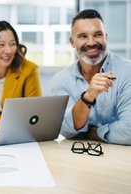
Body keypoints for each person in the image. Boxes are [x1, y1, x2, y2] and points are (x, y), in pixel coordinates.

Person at [50, 9, 131, 145]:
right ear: (72, 42)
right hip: (76, 156)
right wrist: (88, 97)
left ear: (106, 37)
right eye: (83, 36)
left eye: (97, 35)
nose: (92, 42)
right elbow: (64, 128)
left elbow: (129, 131)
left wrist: (93, 133)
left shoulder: (128, 72)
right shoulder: (61, 80)